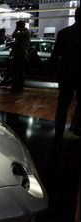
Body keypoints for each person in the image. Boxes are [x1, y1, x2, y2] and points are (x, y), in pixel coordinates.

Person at [48, 7, 80, 138]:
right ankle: (76, 124)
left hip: (66, 75)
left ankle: (59, 130)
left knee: (62, 105)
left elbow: (55, 56)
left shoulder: (63, 33)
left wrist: (51, 72)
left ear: (75, 17)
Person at [9, 20, 30, 92]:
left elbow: (14, 35)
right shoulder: (25, 32)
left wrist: (16, 30)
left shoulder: (24, 33)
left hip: (20, 55)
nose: (16, 27)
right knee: (18, 72)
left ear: (20, 26)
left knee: (19, 72)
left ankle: (18, 87)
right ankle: (17, 87)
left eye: (17, 26)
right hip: (19, 54)